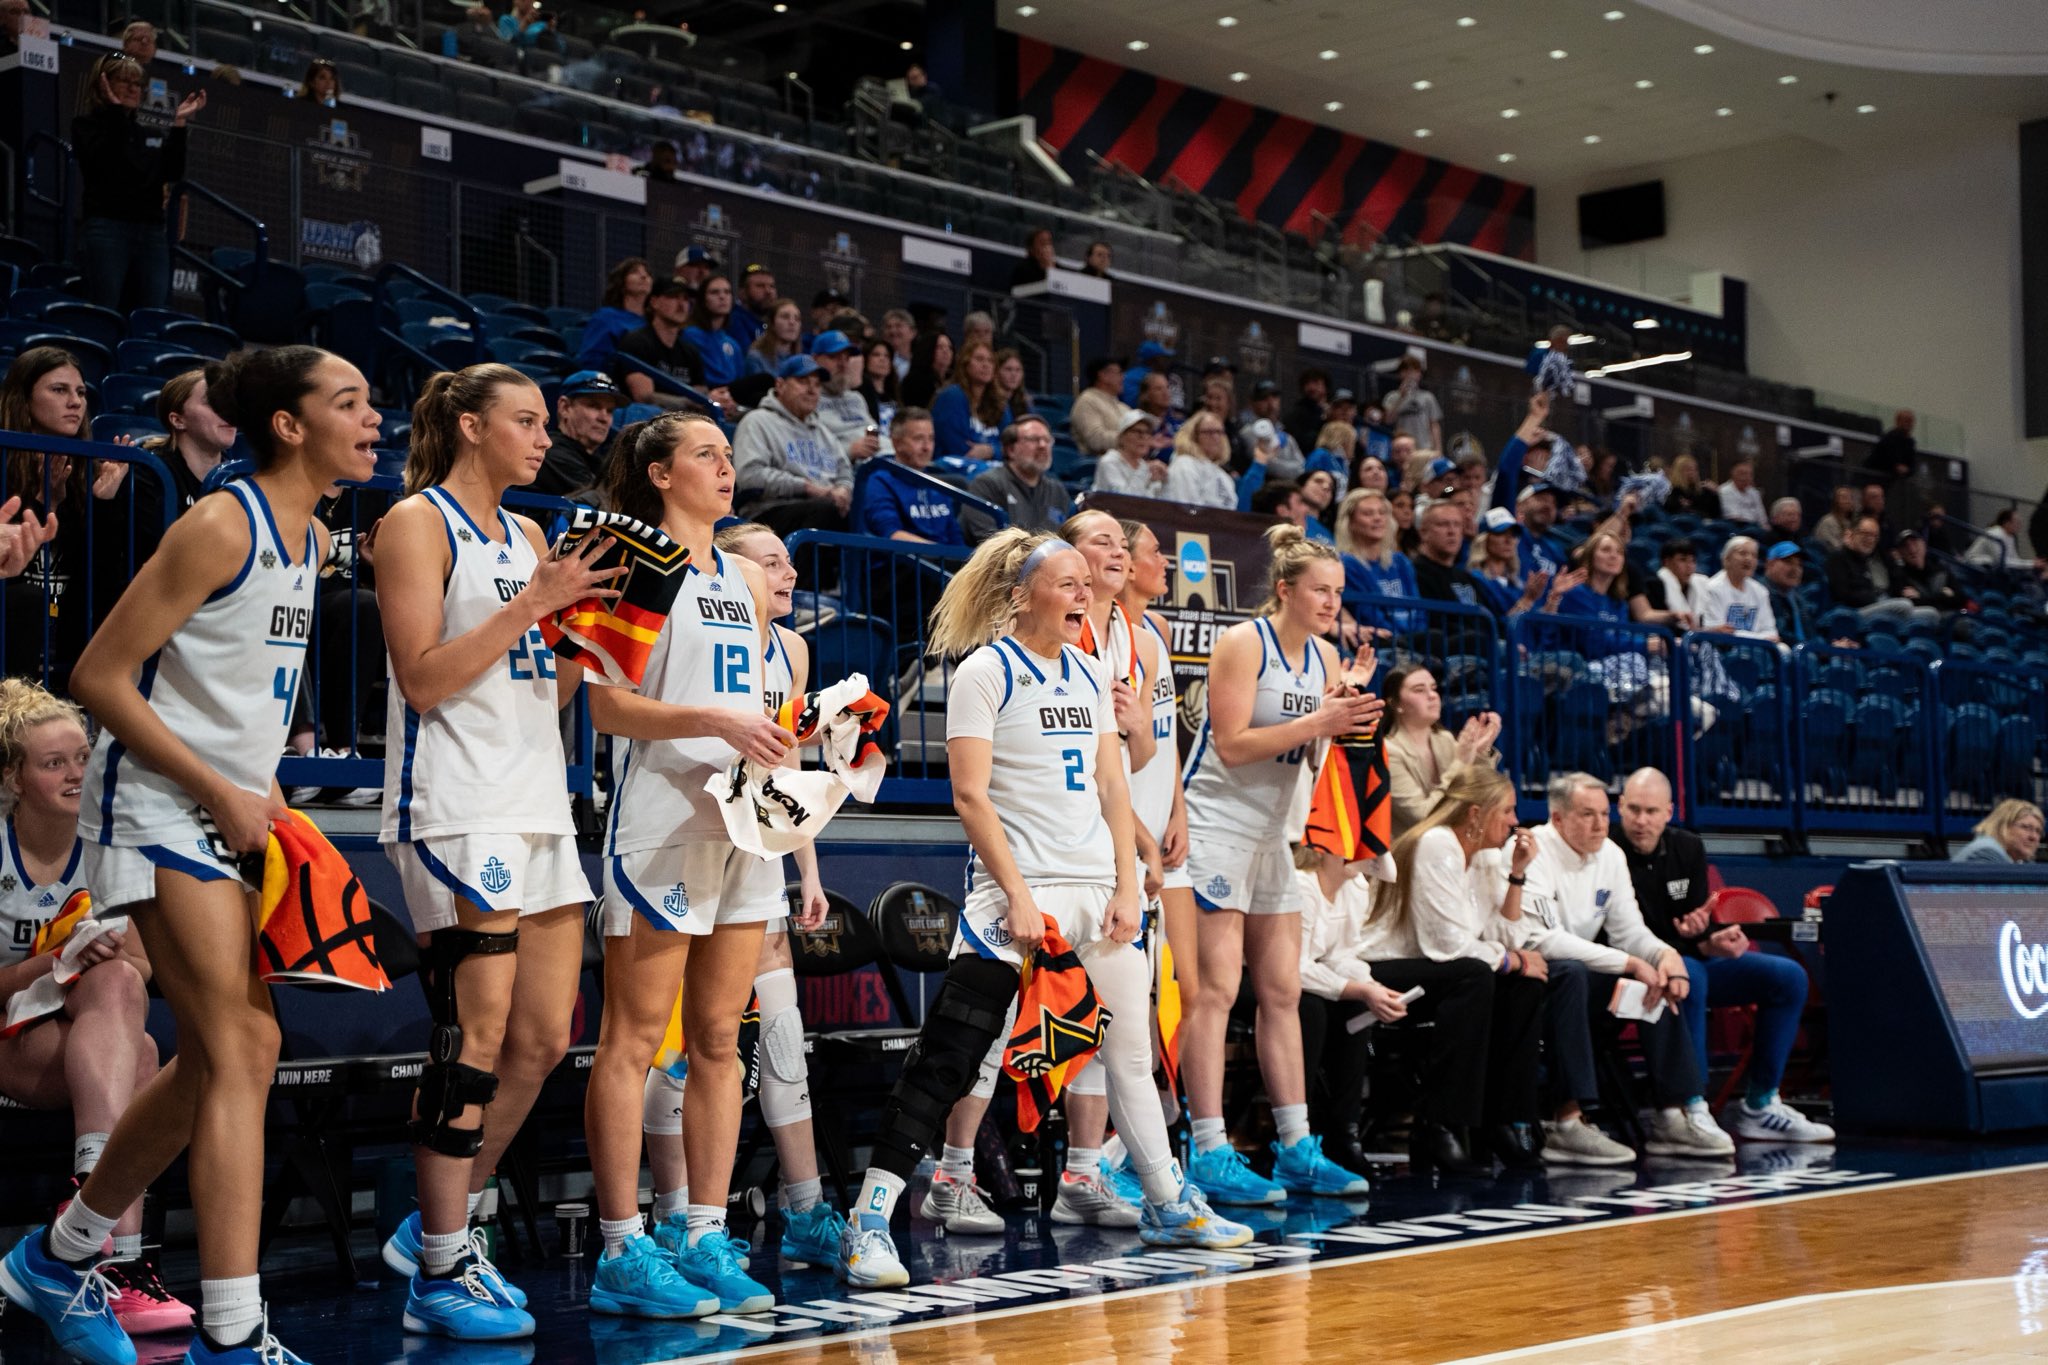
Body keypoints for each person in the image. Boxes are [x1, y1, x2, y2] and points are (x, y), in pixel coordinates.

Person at [1, 346, 376, 1365]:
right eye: (348, 401)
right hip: (161, 805)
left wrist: (261, 792)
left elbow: (235, 695)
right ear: (289, 425)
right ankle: (232, 1330)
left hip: (224, 812)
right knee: (246, 1048)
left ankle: (61, 1251)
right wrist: (216, 786)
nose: (373, 416)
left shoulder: (314, 535)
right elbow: (101, 675)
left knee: (218, 1054)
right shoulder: (223, 520)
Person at [835, 530, 1252, 1289]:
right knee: (954, 1056)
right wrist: (1020, 895)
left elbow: (1114, 786)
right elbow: (969, 795)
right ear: (1024, 594)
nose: (1083, 595)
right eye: (1067, 584)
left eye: (1085, 585)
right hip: (1015, 893)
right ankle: (870, 1219)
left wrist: (1128, 883)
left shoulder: (1092, 671)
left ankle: (1165, 1199)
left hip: (1098, 889)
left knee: (1129, 1051)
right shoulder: (984, 672)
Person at [375, 364, 619, 1344]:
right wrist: (536, 604)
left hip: (536, 802)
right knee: (472, 1039)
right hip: (455, 803)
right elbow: (424, 679)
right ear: (470, 427)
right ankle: (441, 1260)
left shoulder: (525, 535)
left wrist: (591, 624)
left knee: (542, 1040)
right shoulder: (415, 524)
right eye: (523, 421)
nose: (540, 436)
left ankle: (434, 1230)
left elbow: (542, 692)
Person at [576, 414, 791, 1317]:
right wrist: (716, 723)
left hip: (744, 825)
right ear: (661, 473)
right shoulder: (630, 560)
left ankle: (703, 1229)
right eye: (706, 453)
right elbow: (608, 709)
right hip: (661, 824)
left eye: (728, 453)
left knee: (717, 1038)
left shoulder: (742, 576)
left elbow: (747, 703)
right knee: (631, 1039)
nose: (725, 465)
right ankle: (623, 1244)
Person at [1179, 527, 1382, 1205]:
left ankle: (1296, 1146)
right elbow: (1234, 745)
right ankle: (1208, 1148)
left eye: (1340, 592)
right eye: (1322, 589)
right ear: (1287, 590)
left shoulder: (1325, 655)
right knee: (1215, 990)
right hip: (1216, 827)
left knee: (1284, 991)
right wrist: (1322, 720)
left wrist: (1351, 709)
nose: (1333, 601)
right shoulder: (1243, 644)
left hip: (1275, 838)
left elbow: (1319, 750)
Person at [0, 679, 191, 1336]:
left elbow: (139, 969)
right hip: (3, 1034)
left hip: (77, 1036)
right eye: (54, 762)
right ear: (13, 777)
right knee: (128, 1039)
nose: (76, 773)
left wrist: (96, 954)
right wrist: (51, 964)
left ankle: (108, 1247)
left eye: (83, 757)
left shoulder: (110, 841)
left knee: (132, 1028)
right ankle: (109, 1246)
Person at [1520, 773, 1733, 1163]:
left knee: (1656, 980)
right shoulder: (1534, 852)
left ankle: (1672, 1116)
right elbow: (1542, 940)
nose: (1601, 825)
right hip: (1530, 984)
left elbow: (1629, 930)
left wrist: (1663, 955)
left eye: (1603, 814)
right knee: (1573, 971)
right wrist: (1631, 962)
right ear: (1558, 817)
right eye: (1587, 815)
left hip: (1582, 982)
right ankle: (1567, 1124)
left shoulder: (1610, 855)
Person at [1344, 764, 1548, 1170]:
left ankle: (1500, 1121)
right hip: (1376, 970)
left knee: (1524, 986)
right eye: (1506, 811)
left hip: (1434, 973)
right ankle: (1439, 1126)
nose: (1514, 821)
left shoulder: (1485, 858)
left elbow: (1505, 936)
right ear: (1475, 814)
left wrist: (1517, 876)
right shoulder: (1436, 844)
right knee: (1475, 976)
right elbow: (1446, 947)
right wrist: (1511, 960)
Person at [1615, 769, 1834, 1142]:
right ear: (1619, 807)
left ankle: (1761, 1104)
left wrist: (1711, 941)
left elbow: (1695, 931)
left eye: (1651, 811)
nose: (1641, 820)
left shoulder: (1687, 847)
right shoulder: (1608, 850)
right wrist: (1685, 947)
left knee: (1787, 977)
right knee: (1691, 976)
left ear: (1669, 812)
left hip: (1687, 959)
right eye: (1633, 809)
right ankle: (1691, 1105)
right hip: (1631, 967)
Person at [2, 347, 130, 694]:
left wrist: (103, 504)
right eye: (59, 390)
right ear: (23, 399)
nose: (75, 402)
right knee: (26, 598)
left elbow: (99, 578)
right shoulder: (3, 463)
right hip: (13, 616)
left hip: (67, 620)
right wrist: (43, 504)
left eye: (81, 392)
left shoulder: (88, 471)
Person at [72, 53, 203, 313]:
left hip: (151, 233)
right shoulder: (86, 126)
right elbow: (110, 162)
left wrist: (178, 124)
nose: (134, 88)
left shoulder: (148, 134)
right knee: (104, 311)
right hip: (107, 228)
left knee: (150, 315)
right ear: (103, 83)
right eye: (124, 81)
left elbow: (171, 171)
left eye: (138, 83)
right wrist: (114, 112)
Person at [731, 356, 852, 535]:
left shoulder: (823, 432)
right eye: (803, 382)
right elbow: (749, 475)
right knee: (824, 511)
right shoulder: (757, 421)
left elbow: (844, 471)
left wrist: (843, 489)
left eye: (817, 384)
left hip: (822, 510)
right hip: (768, 515)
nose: (812, 390)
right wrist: (807, 487)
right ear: (780, 385)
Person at [1382, 663, 1499, 838]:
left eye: (1433, 688)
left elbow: (1479, 796)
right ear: (1395, 703)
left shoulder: (1444, 739)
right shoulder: (1389, 751)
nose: (1432, 696)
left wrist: (1480, 752)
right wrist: (1460, 761)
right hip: (1408, 851)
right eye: (1419, 690)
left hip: (1451, 842)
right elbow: (1423, 817)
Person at [1413, 501, 1570, 625]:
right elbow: (1497, 627)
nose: (1452, 531)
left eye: (1456, 525)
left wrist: (1553, 598)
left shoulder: (1515, 583)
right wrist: (1527, 600)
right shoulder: (1477, 578)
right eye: (1501, 533)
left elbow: (1529, 625)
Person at [856, 407, 958, 545]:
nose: (927, 447)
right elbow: (892, 535)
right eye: (918, 439)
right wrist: (943, 556)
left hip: (944, 562)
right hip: (903, 563)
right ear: (897, 443)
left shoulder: (937, 483)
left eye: (931, 439)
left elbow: (955, 537)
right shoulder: (880, 481)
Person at [962, 416, 1070, 543]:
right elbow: (990, 544)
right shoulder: (986, 485)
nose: (1042, 445)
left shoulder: (1057, 491)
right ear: (1011, 450)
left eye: (1047, 440)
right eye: (1033, 439)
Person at [607, 278, 707, 406]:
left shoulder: (690, 351)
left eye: (686, 299)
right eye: (673, 297)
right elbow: (644, 396)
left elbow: (702, 390)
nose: (682, 305)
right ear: (654, 302)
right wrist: (688, 402)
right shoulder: (637, 342)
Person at [1826, 515, 1937, 627]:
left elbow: (1898, 584)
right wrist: (1874, 596)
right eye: (1865, 534)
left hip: (1884, 605)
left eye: (1874, 536)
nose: (1870, 540)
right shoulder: (1838, 558)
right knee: (1904, 606)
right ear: (1851, 534)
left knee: (1931, 614)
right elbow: (1842, 595)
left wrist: (1896, 561)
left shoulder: (1875, 559)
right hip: (1855, 612)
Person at [535, 370, 621, 499]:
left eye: (610, 411)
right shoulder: (552, 452)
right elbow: (607, 502)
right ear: (565, 407)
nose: (604, 418)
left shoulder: (598, 460)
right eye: (594, 406)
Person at [929, 341, 1006, 464]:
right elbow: (958, 449)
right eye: (979, 359)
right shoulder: (952, 397)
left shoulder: (999, 402)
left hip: (994, 472)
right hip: (954, 472)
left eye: (990, 361)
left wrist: (990, 450)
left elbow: (1012, 446)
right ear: (966, 364)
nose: (986, 365)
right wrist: (996, 449)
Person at [576, 258, 654, 368]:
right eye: (635, 272)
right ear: (622, 282)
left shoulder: (655, 323)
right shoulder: (606, 317)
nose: (644, 276)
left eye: (648, 274)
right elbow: (591, 359)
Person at [1697, 536, 1776, 641]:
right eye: (1742, 553)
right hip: (1723, 650)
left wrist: (1740, 635)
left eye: (1754, 555)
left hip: (1756, 649)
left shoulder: (1761, 591)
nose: (1749, 559)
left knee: (1783, 650)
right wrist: (1760, 638)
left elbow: (1771, 632)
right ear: (1726, 559)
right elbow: (1718, 632)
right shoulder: (1713, 588)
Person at [681, 277, 747, 390]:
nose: (722, 297)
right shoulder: (690, 335)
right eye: (714, 292)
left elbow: (740, 381)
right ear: (703, 299)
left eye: (727, 292)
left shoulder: (733, 344)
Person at [1163, 411, 1236, 509]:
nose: (1215, 437)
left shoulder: (1225, 477)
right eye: (1209, 432)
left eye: (1219, 432)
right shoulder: (1185, 465)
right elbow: (1187, 510)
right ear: (1194, 435)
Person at [1093, 411, 1166, 499]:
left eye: (1147, 432)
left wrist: (1158, 481)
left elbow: (1149, 503)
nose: (1143, 437)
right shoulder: (1109, 462)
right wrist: (1143, 470)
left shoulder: (1144, 465)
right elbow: (1125, 501)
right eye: (1137, 431)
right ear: (1121, 437)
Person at [1954, 799, 2045, 863]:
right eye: (2026, 827)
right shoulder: (1986, 853)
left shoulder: (2020, 861)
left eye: (2038, 831)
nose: (2033, 837)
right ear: (2003, 827)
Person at [1381, 356, 1442, 452]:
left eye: (1414, 371)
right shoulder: (1392, 396)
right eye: (1406, 371)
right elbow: (1388, 420)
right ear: (1401, 374)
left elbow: (1434, 425)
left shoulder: (1428, 397)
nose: (1410, 375)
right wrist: (1401, 396)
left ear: (1419, 374)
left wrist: (1438, 450)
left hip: (1424, 448)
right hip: (1403, 449)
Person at [1892, 529, 1962, 612]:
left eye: (1915, 543)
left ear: (1923, 545)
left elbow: (1960, 599)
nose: (1912, 550)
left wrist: (1921, 597)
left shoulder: (1941, 569)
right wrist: (1944, 596)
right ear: (1900, 553)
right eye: (1905, 546)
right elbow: (1911, 605)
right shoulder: (1899, 576)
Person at [743, 298, 805, 379]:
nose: (792, 322)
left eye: (797, 319)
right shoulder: (756, 358)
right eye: (785, 317)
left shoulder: (803, 361)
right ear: (772, 323)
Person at [898, 331, 953, 412]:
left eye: (950, 347)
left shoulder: (953, 379)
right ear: (928, 349)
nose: (946, 351)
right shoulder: (915, 380)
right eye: (939, 347)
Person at [1655, 538, 1704, 623]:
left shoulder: (1701, 584)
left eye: (1693, 561)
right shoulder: (1654, 586)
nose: (1689, 566)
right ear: (1666, 562)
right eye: (1683, 560)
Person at [1966, 507, 2025, 572]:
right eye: (2017, 522)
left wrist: (2032, 563)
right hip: (1975, 565)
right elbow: (2001, 561)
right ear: (2006, 523)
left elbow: (2015, 559)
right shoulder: (1995, 533)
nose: (2019, 525)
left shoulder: (2010, 537)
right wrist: (2032, 564)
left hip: (1990, 566)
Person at [855, 337, 898, 422]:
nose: (882, 359)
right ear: (865, 360)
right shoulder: (858, 396)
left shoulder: (896, 394)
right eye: (876, 355)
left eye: (887, 356)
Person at [1871, 409, 1916, 486]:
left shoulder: (1910, 443)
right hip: (1875, 478)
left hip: (1892, 483)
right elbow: (1881, 458)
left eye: (1911, 421)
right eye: (1906, 421)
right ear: (1898, 421)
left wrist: (1906, 470)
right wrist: (1896, 466)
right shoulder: (1888, 438)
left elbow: (1912, 465)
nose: (1909, 424)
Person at [1662, 454, 1716, 518]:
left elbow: (1713, 513)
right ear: (1679, 472)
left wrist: (1715, 493)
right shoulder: (1675, 491)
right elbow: (1669, 511)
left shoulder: (1704, 491)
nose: (1693, 472)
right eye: (1688, 470)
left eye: (1695, 469)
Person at [1716, 459, 1766, 526]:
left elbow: (1762, 518)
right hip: (1737, 527)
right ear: (1733, 473)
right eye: (1742, 473)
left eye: (1749, 474)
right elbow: (1734, 517)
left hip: (1756, 527)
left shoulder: (1754, 492)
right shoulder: (1724, 491)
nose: (1745, 477)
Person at [1812, 486, 1860, 553]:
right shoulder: (1827, 522)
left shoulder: (1850, 523)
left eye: (1850, 498)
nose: (1848, 501)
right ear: (1835, 501)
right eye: (1844, 498)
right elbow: (1832, 548)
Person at [995, 349, 1034, 420]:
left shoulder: (1025, 402)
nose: (1014, 375)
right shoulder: (989, 400)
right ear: (996, 372)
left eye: (1018, 370)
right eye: (1008, 369)